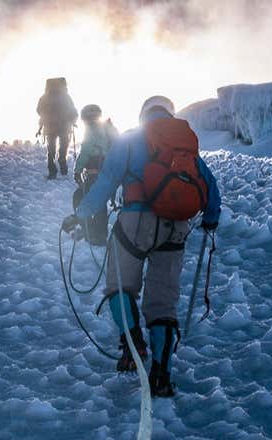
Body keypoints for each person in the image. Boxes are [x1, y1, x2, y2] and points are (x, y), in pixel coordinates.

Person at [62, 96, 221, 397]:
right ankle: (161, 374)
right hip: (176, 226)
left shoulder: (131, 140)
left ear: (143, 115)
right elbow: (210, 188)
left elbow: (106, 182)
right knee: (163, 300)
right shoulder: (183, 145)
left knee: (119, 284)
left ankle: (132, 346)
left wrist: (79, 215)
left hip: (136, 222)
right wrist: (210, 221)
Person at [72, 104, 118, 245]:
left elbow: (86, 150)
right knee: (99, 201)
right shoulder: (108, 128)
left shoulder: (92, 129)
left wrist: (77, 170)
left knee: (79, 197)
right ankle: (98, 233)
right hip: (108, 172)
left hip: (95, 172)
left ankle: (93, 232)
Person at [36, 77, 78, 179]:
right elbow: (73, 111)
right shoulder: (66, 97)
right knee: (63, 147)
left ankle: (52, 171)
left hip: (50, 127)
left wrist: (43, 123)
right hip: (64, 126)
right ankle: (62, 162)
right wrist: (73, 121)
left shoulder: (45, 97)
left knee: (51, 150)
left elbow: (39, 110)